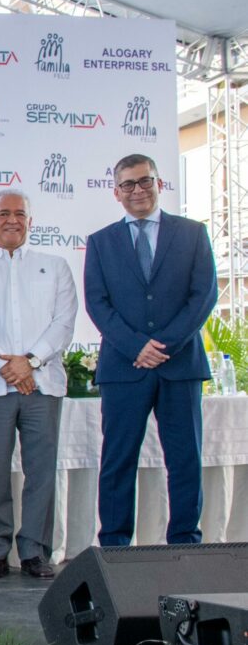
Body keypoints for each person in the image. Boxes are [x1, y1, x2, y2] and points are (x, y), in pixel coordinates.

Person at [84, 153, 217, 546]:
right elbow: (98, 303)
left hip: (180, 366)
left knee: (185, 459)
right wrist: (136, 347)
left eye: (145, 181)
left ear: (159, 184)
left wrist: (164, 345)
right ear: (116, 192)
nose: (137, 190)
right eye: (128, 184)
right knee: (118, 460)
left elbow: (203, 296)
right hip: (124, 367)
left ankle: (185, 543)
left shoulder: (193, 233)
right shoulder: (101, 242)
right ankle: (114, 546)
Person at [0, 189, 77, 580]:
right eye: (4, 214)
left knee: (41, 473)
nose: (12, 220)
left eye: (20, 214)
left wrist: (31, 362)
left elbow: (63, 322)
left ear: (30, 221)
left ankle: (35, 552)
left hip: (43, 385)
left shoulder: (55, 266)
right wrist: (4, 366)